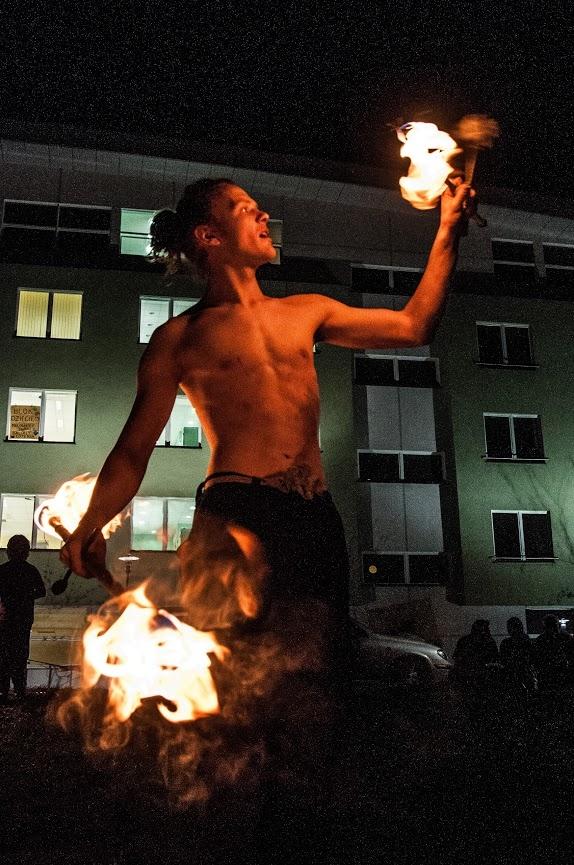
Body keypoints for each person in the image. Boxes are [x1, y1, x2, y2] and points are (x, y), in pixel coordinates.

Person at [60, 176, 471, 860]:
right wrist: (86, 528)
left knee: (316, 694)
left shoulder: (305, 311)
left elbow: (412, 325)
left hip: (314, 518)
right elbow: (133, 450)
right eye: (245, 207)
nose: (263, 213)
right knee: (239, 697)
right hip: (236, 515)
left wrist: (449, 229)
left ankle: (289, 836)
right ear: (208, 236)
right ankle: (209, 827)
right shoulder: (178, 338)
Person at [0, 535, 46, 704]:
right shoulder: (31, 571)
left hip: (5, 622)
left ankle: (3, 693)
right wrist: (26, 595)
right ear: (27, 553)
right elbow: (41, 591)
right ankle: (20, 692)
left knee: (3, 658)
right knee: (20, 658)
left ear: (8, 552)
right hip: (23, 622)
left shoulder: (2, 571)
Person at [452, 618, 499, 689]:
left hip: (476, 677)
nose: (489, 631)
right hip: (474, 678)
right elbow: (458, 659)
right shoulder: (488, 642)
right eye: (487, 630)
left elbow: (456, 658)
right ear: (481, 632)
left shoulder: (464, 641)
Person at [499, 616, 536, 695]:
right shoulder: (527, 642)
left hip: (512, 676)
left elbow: (503, 660)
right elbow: (532, 659)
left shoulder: (506, 643)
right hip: (525, 675)